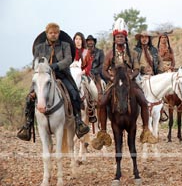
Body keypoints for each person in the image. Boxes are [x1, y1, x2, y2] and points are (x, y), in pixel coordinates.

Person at [92, 18, 158, 150]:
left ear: (125, 38)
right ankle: (103, 132)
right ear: (115, 38)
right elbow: (104, 70)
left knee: (143, 101)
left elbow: (137, 69)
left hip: (130, 82)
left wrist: (131, 77)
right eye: (118, 37)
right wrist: (111, 78)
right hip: (114, 82)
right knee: (102, 102)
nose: (120, 39)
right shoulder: (110, 54)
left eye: (122, 36)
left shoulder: (132, 53)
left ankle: (145, 129)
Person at [17, 23, 90, 141]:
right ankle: (27, 125)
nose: (53, 35)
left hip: (62, 74)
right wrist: (43, 68)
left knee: (74, 93)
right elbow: (34, 62)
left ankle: (78, 121)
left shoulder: (65, 45)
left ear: (58, 34)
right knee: (30, 97)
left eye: (55, 33)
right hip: (44, 76)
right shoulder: (39, 47)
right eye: (51, 33)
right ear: (47, 34)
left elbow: (68, 60)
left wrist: (55, 66)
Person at [73, 32, 97, 123]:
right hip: (72, 74)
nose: (78, 41)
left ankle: (92, 110)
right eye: (76, 39)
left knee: (93, 90)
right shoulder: (70, 51)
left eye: (79, 39)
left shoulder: (86, 52)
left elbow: (89, 65)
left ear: (82, 41)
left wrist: (83, 71)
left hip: (83, 74)